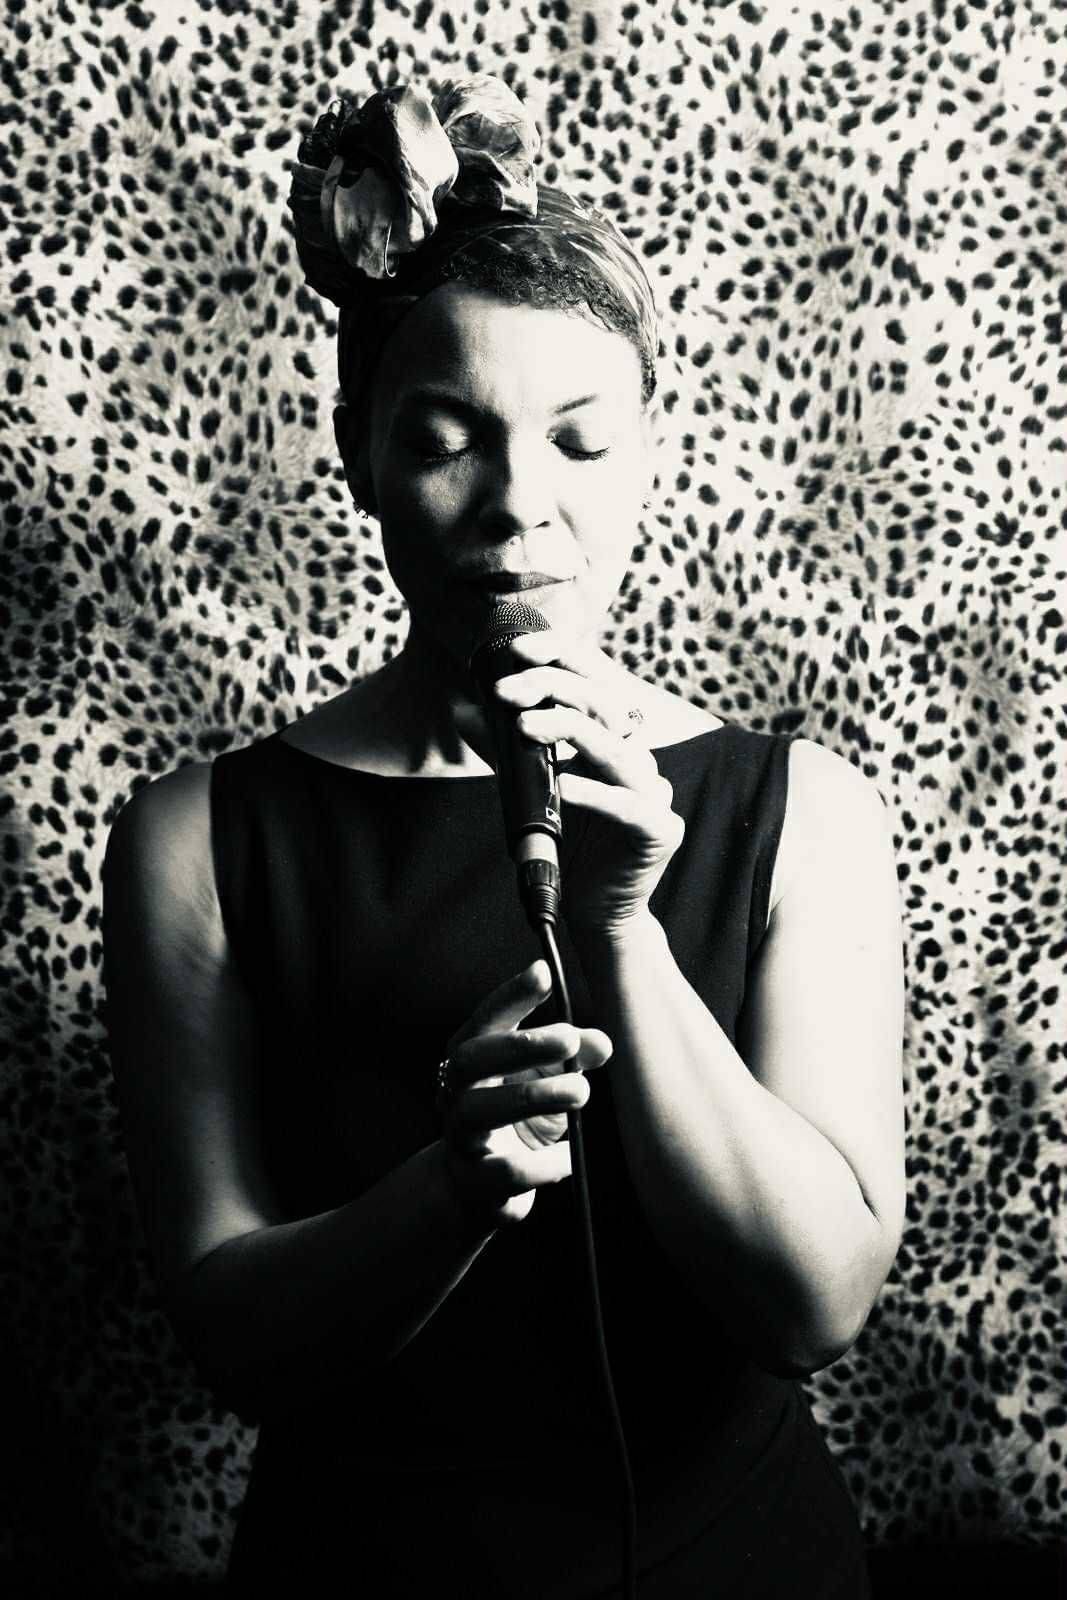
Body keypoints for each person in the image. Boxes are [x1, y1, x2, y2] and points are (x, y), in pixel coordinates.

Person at [101, 73, 906, 1598]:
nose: (517, 503)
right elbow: (229, 1336)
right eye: (446, 438)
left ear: (654, 454)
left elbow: (815, 1308)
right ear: (359, 450)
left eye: (582, 444)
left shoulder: (807, 813)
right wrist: (451, 1186)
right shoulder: (195, 838)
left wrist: (618, 934)